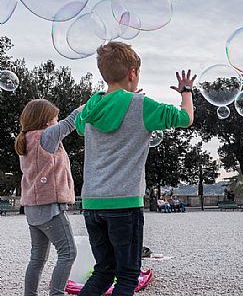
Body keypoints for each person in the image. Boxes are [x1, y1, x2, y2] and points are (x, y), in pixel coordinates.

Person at [75, 41, 195, 296]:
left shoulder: (91, 107)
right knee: (128, 276)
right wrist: (186, 92)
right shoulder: (142, 105)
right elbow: (186, 118)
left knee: (103, 271)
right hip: (124, 204)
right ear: (133, 74)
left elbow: (79, 125)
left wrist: (124, 100)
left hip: (92, 204)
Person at [15, 99, 83, 296]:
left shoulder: (26, 139)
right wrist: (92, 103)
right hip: (49, 208)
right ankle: (57, 294)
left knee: (37, 258)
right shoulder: (46, 136)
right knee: (68, 253)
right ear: (46, 121)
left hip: (32, 209)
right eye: (55, 117)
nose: (57, 121)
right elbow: (71, 121)